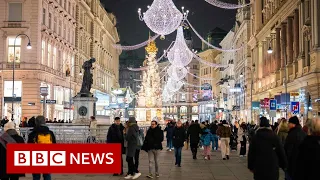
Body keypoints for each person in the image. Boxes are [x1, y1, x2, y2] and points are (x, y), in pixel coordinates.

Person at [27, 116, 56, 180]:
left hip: (36, 157)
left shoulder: (32, 133)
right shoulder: (50, 133)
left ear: (36, 122)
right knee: (47, 175)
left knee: (36, 176)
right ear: (44, 122)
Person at [284, 116, 306, 180]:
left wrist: (286, 162)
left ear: (293, 124)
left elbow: (288, 149)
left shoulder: (292, 134)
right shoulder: (303, 133)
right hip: (300, 162)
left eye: (289, 123)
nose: (288, 124)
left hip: (292, 162)